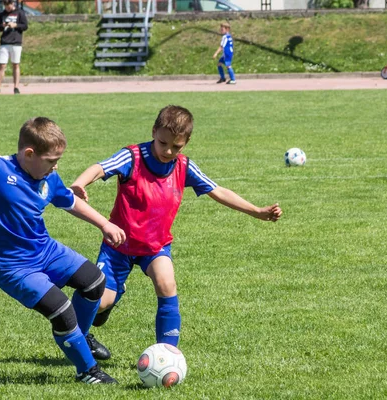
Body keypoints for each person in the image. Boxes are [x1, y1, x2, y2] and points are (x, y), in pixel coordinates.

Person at [70, 105, 282, 359]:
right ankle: (79, 341)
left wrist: (256, 211)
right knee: (101, 300)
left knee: (167, 283)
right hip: (119, 246)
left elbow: (219, 191)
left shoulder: (184, 167)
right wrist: (80, 183)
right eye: (163, 143)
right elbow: (100, 167)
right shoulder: (133, 157)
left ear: (186, 143)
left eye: (176, 147)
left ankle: (167, 355)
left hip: (155, 246)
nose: (168, 151)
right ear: (153, 132)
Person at [0, 117, 126, 384]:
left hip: (45, 249)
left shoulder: (49, 176)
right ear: (29, 154)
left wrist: (105, 224)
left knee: (94, 282)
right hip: (11, 265)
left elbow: (70, 202)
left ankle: (80, 339)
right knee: (62, 310)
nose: (56, 165)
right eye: (51, 160)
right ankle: (88, 371)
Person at [0, 0, 27, 95]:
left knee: (15, 64)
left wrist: (15, 25)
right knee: (2, 65)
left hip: (16, 42)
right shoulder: (2, 14)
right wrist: (2, 26)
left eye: (9, 5)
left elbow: (25, 26)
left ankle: (16, 87)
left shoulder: (20, 12)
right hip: (5, 42)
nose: (8, 8)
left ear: (13, 4)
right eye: (6, 6)